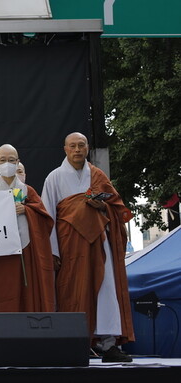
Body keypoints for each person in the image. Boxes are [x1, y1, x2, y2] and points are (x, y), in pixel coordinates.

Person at [41, 133, 134, 362]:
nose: (77, 150)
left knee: (106, 289)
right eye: (72, 146)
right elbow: (48, 217)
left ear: (87, 148)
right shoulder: (55, 177)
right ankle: (76, 342)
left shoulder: (98, 175)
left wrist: (102, 207)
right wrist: (53, 251)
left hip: (99, 244)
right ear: (65, 149)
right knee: (73, 292)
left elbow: (116, 206)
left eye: (81, 145)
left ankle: (109, 344)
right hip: (69, 245)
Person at [0, 144, 56, 314]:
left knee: (27, 291)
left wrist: (27, 210)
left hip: (26, 249)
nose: (6, 164)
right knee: (3, 291)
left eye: (11, 160)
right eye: (2, 160)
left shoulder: (26, 190)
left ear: (17, 162)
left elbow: (45, 219)